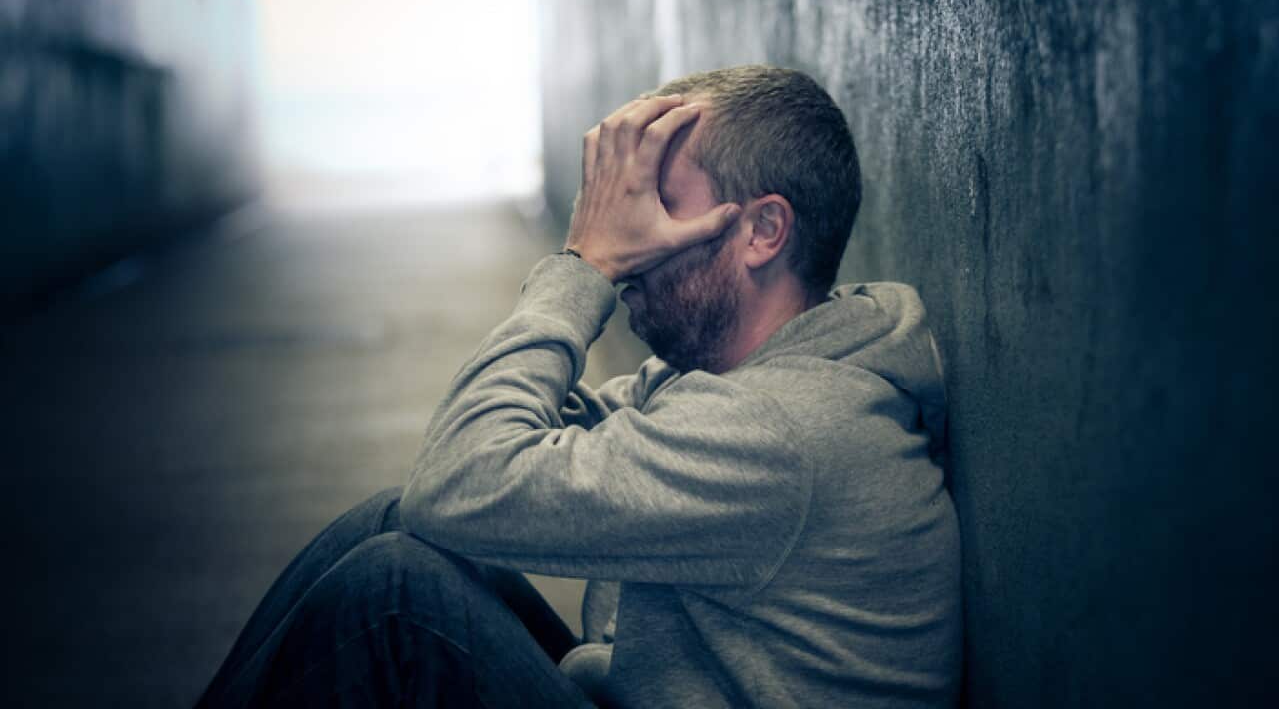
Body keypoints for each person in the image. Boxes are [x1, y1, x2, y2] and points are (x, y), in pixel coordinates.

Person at [196, 65, 962, 708]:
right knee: (391, 523)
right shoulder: (739, 376)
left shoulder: (776, 429)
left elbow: (462, 476)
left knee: (394, 595)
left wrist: (585, 266)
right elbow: (492, 437)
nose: (627, 232)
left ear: (763, 231)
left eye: (657, 202)